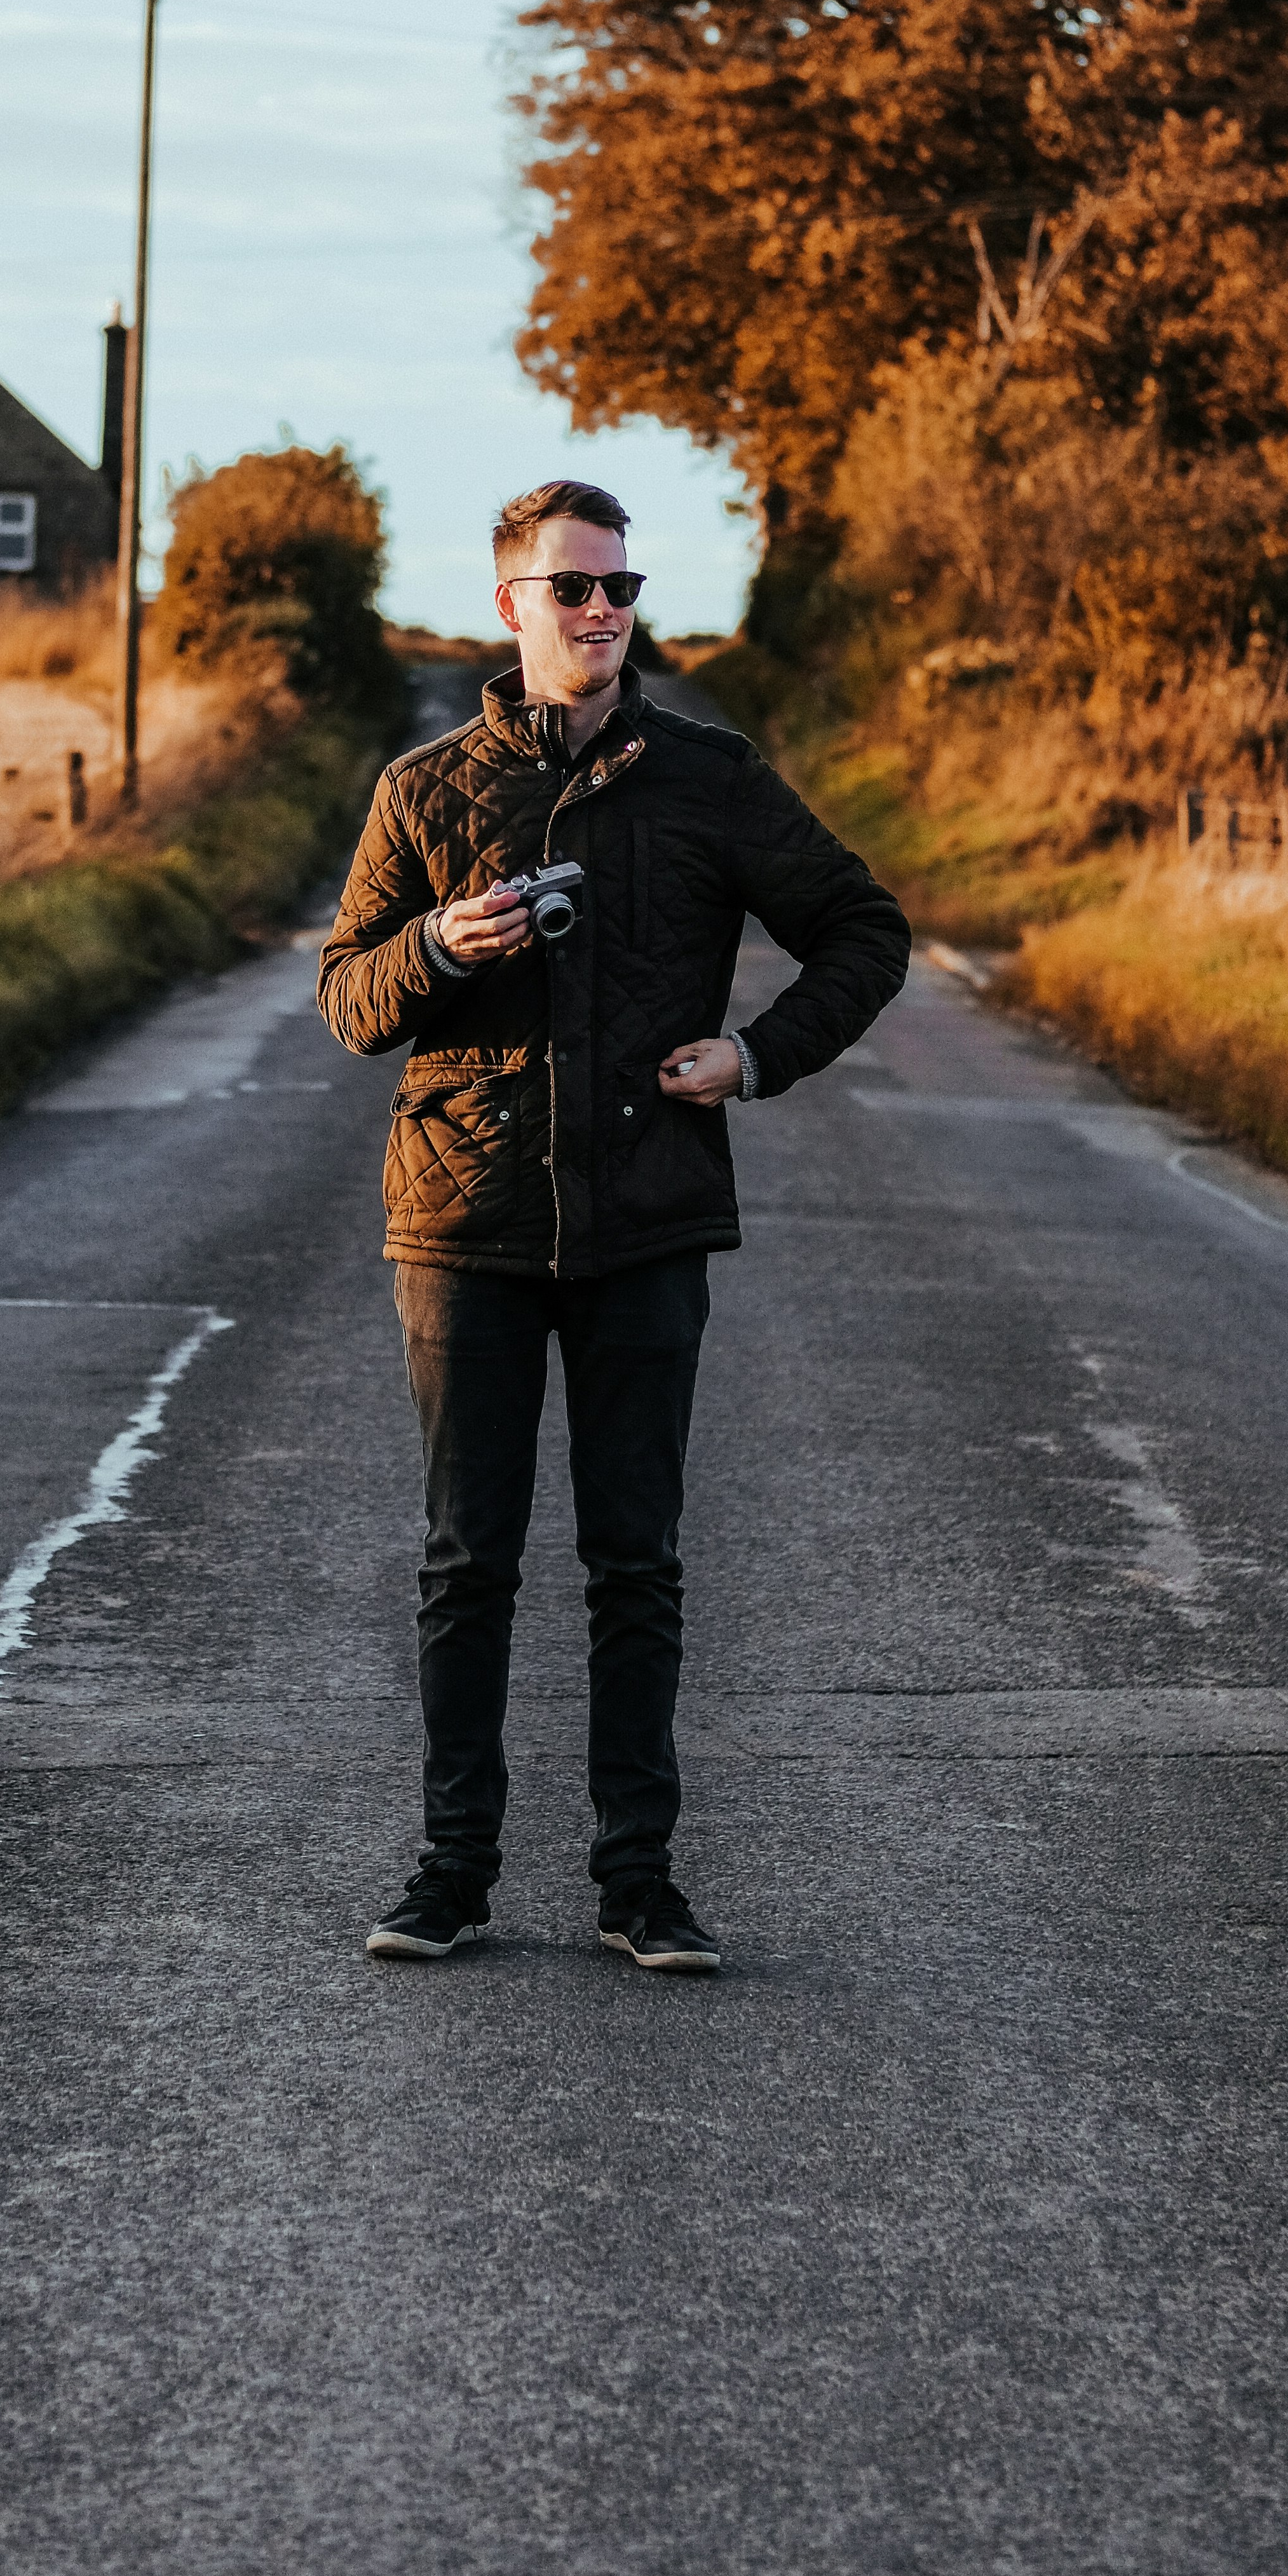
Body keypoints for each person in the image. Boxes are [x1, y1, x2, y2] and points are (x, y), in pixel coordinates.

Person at [318, 479, 910, 1975]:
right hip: (464, 1221)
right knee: (468, 1562)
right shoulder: (425, 791)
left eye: (621, 589)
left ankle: (636, 1885)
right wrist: (438, 946)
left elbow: (863, 930)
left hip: (648, 1220)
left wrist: (755, 1057)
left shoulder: (706, 777)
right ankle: (449, 1876)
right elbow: (345, 1002)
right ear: (511, 605)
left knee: (634, 1564)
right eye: (574, 588)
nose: (601, 612)